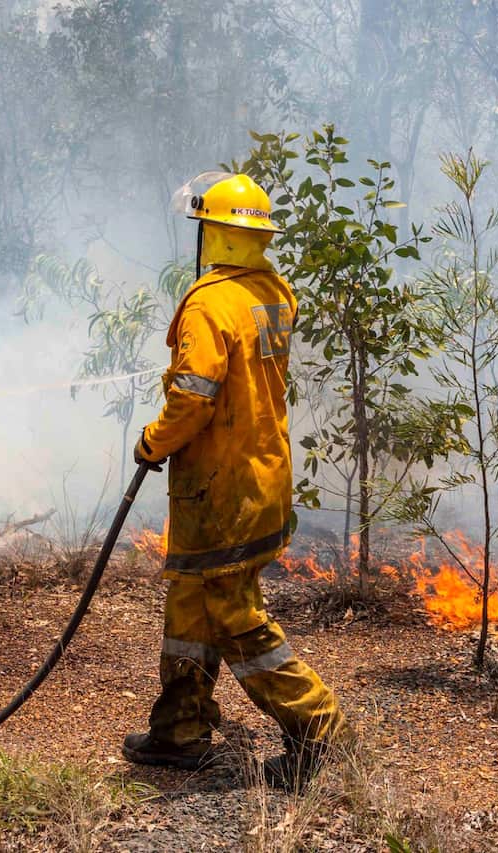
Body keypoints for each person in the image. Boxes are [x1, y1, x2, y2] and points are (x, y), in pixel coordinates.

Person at [121, 173, 349, 790]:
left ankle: (319, 725)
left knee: (230, 613)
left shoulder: (207, 302)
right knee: (190, 603)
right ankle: (179, 731)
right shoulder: (272, 290)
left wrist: (152, 442)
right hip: (261, 478)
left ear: (213, 235)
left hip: (220, 490)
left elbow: (194, 396)